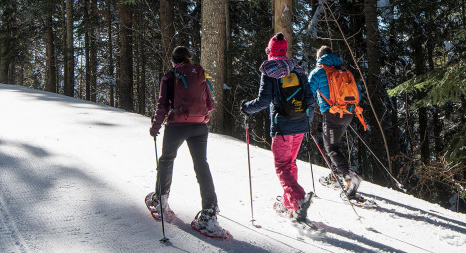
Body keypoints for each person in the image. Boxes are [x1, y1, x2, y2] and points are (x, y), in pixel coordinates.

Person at [147, 46, 226, 237]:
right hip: (199, 127)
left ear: (173, 60)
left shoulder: (170, 75)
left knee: (166, 159)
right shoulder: (199, 74)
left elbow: (162, 105)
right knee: (201, 165)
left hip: (177, 126)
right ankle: (209, 213)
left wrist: (155, 127)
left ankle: (161, 199)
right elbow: (211, 104)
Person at [241, 33, 316, 222]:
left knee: (282, 167)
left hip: (282, 127)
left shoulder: (269, 70)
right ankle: (289, 203)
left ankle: (298, 200)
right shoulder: (297, 69)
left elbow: (263, 101)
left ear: (270, 51)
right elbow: (309, 98)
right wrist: (308, 121)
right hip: (299, 124)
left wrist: (246, 108)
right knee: (291, 164)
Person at [308, 45, 365, 201]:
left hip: (332, 114)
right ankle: (335, 176)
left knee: (332, 148)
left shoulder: (318, 72)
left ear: (319, 57)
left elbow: (307, 94)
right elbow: (357, 94)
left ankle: (349, 178)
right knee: (336, 145)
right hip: (349, 113)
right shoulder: (345, 71)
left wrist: (306, 115)